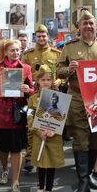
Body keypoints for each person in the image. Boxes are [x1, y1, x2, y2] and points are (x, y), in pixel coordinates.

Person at [57, 9, 97, 192]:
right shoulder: (69, 47)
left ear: (95, 25)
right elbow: (57, 70)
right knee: (80, 140)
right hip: (77, 100)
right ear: (79, 27)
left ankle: (89, 174)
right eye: (85, 24)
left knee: (95, 140)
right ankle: (82, 182)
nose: (88, 26)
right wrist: (68, 69)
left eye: (91, 23)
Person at [0, 39, 33, 192]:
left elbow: (32, 90)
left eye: (18, 50)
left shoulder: (26, 68)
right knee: (3, 148)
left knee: (17, 149)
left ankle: (15, 182)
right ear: (5, 52)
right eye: (12, 50)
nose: (16, 53)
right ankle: (5, 170)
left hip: (17, 115)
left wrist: (28, 89)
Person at [22, 24, 62, 171]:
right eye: (38, 36)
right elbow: (23, 74)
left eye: (44, 36)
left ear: (48, 37)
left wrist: (57, 82)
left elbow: (61, 73)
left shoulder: (56, 54)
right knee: (32, 125)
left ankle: (51, 156)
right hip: (34, 94)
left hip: (53, 93)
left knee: (52, 125)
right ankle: (30, 156)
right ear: (35, 37)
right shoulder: (28, 55)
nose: (41, 38)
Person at [27, 65, 65, 192]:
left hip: (54, 136)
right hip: (39, 135)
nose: (46, 82)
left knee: (51, 163)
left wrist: (54, 130)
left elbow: (62, 117)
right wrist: (38, 131)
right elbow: (30, 116)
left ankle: (49, 190)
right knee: (41, 163)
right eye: (42, 79)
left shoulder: (59, 97)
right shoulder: (33, 99)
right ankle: (40, 188)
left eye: (48, 79)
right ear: (37, 81)